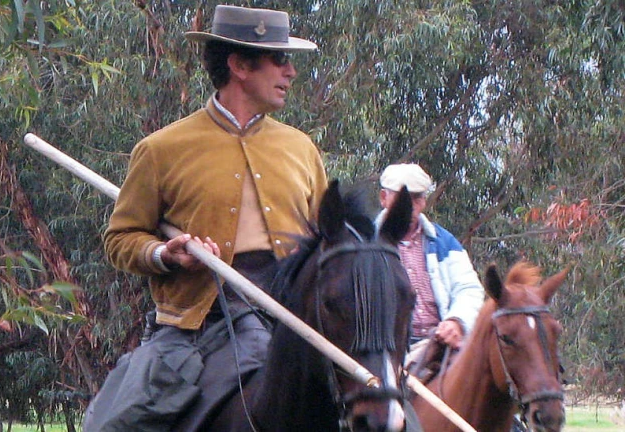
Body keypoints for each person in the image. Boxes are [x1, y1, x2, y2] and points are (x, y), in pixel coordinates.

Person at [82, 5, 327, 432]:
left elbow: (327, 238)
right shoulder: (161, 149)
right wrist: (166, 254)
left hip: (292, 317)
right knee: (114, 425)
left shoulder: (302, 148)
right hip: (198, 323)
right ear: (239, 66)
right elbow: (120, 239)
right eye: (279, 59)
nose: (290, 72)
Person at [374, 163, 484, 371]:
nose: (409, 206)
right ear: (383, 198)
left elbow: (469, 288)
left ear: (424, 201)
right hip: (386, 350)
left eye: (416, 198)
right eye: (401, 198)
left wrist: (457, 322)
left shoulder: (444, 242)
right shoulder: (366, 244)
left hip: (441, 346)